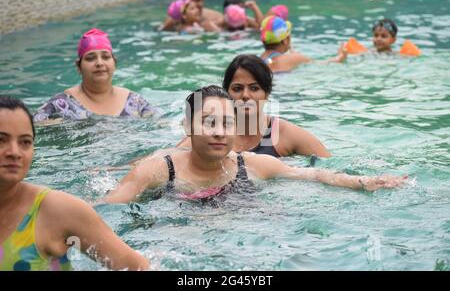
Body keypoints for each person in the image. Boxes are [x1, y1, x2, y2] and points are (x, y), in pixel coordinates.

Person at [100, 85, 407, 205]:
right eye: (208, 122)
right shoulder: (157, 171)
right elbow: (107, 208)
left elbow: (313, 175)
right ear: (186, 127)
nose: (219, 132)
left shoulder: (252, 164)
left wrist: (363, 182)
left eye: (227, 123)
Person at [0, 96, 149, 271]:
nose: (15, 152)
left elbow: (138, 267)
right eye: (1, 140)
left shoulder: (56, 210)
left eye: (25, 142)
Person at [177, 55, 331, 159]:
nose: (245, 95)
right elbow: (168, 159)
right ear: (226, 94)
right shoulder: (209, 135)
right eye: (237, 88)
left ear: (267, 93)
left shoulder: (284, 133)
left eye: (254, 88)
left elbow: (330, 165)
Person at [33, 28, 158, 123]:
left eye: (106, 57)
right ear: (78, 67)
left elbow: (162, 126)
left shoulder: (135, 102)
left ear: (115, 63)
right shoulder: (61, 105)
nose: (99, 63)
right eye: (90, 58)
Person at [260, 16, 347, 73]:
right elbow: (322, 64)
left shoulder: (260, 60)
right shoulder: (295, 58)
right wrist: (341, 56)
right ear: (285, 40)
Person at [345, 19, 421, 56]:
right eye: (376, 35)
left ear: (393, 40)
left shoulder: (398, 56)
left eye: (383, 36)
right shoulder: (367, 53)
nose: (378, 39)